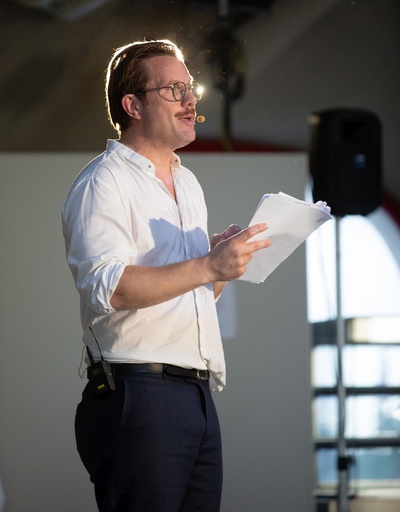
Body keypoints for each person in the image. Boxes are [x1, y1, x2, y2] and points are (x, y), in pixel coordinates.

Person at [61, 38, 270, 512]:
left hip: (197, 393)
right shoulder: (103, 181)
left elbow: (192, 295)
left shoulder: (188, 183)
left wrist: (222, 266)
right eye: (174, 89)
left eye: (190, 88)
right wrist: (207, 264)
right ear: (133, 105)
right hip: (139, 394)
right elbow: (108, 287)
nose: (190, 99)